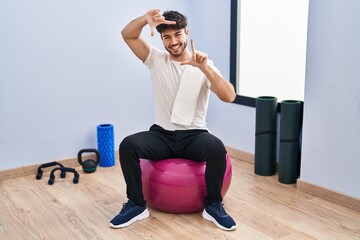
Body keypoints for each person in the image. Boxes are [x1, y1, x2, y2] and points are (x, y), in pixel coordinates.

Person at [110, 9, 237, 231]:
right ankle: (137, 205)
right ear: (162, 40)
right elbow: (127, 34)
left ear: (186, 33)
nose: (173, 42)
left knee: (217, 148)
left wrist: (205, 68)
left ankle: (213, 205)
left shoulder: (203, 63)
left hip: (194, 135)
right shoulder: (156, 59)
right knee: (128, 145)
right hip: (162, 135)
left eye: (177, 35)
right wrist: (144, 19)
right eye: (166, 37)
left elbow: (229, 96)